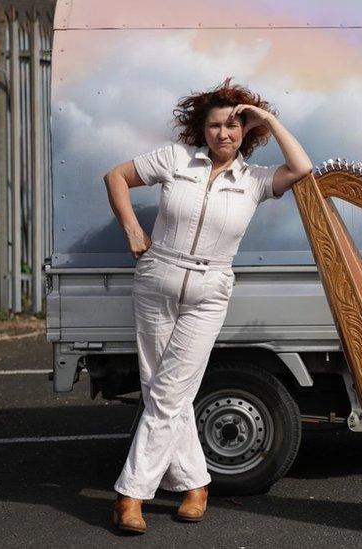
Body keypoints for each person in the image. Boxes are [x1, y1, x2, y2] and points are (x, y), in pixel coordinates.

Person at [102, 78, 312, 534]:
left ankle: (130, 494)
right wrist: (133, 232)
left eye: (234, 126)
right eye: (215, 125)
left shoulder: (255, 180)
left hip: (210, 288)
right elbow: (115, 176)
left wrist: (270, 120)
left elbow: (302, 167)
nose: (224, 133)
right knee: (165, 391)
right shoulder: (176, 159)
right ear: (202, 129)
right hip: (158, 276)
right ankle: (196, 484)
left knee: (167, 394)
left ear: (246, 132)